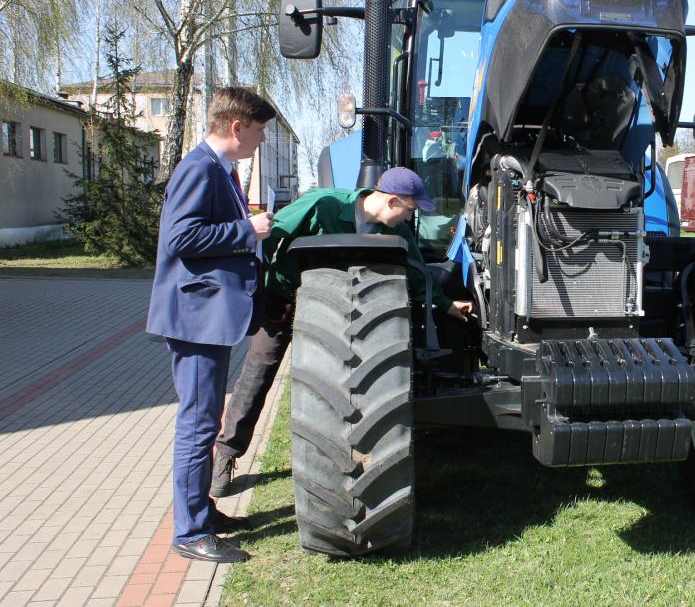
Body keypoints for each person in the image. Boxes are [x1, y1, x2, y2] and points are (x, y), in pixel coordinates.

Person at [210, 167, 473, 497]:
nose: (410, 217)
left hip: (339, 320)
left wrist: (448, 305)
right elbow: (270, 236)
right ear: (392, 200)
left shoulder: (397, 235)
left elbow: (417, 274)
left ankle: (336, 462)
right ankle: (227, 454)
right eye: (410, 209)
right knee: (257, 376)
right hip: (285, 303)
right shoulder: (324, 205)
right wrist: (258, 288)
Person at [147, 87, 277, 564]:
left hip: (206, 318)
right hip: (195, 320)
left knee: (203, 421)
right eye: (260, 129)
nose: (262, 138)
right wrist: (250, 230)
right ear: (237, 127)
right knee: (198, 425)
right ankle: (190, 533)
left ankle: (202, 510)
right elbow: (182, 237)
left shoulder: (219, 170)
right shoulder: (200, 168)